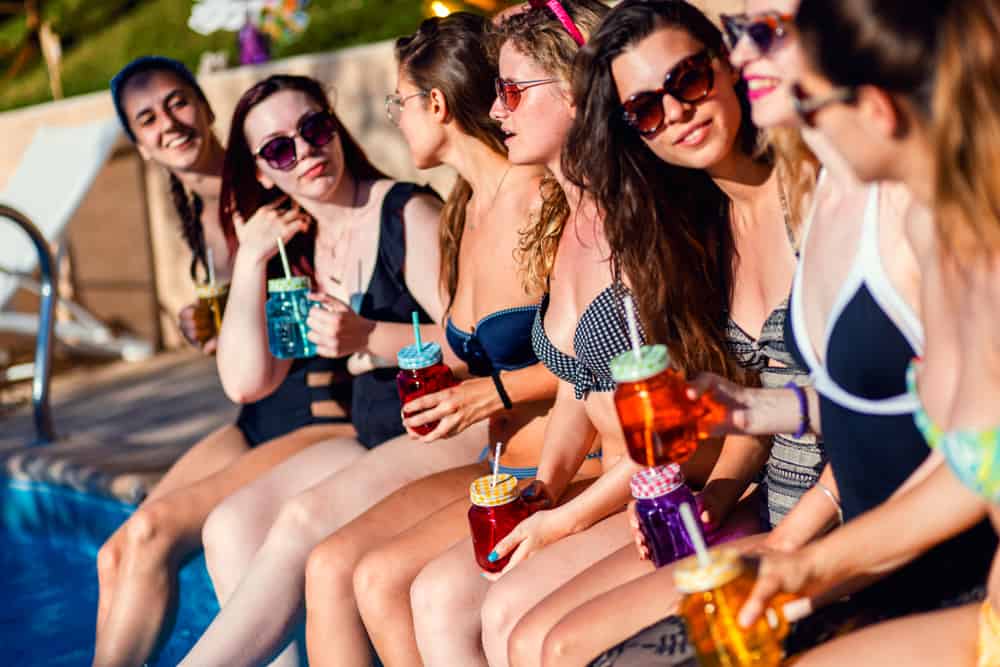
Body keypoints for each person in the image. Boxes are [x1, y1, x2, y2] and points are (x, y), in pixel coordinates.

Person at [174, 17, 572, 664]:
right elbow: (247, 382)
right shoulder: (304, 238)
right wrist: (249, 263)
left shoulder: (412, 211)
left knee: (325, 549)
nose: (304, 152)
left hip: (464, 433)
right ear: (263, 171)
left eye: (314, 129)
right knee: (234, 527)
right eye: (279, 150)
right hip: (405, 429)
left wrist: (370, 336)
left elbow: (476, 350)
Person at [733, 1, 1000, 665]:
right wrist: (808, 563)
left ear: (878, 110)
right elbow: (971, 472)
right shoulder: (952, 236)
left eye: (812, 103)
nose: (808, 126)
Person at [93, 58, 357, 667]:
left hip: (322, 411)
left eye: (178, 103)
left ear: (207, 109)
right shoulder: (198, 212)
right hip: (261, 416)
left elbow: (334, 278)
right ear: (140, 145)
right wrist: (217, 328)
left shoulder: (269, 188)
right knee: (116, 552)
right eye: (148, 119)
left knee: (153, 533)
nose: (170, 124)